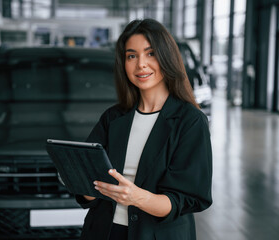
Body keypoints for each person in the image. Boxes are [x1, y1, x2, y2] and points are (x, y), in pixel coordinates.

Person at [75, 18, 212, 240]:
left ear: (166, 57)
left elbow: (188, 198)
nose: (141, 64)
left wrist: (136, 197)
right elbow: (89, 186)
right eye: (131, 56)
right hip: (105, 231)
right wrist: (78, 179)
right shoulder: (113, 117)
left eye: (150, 53)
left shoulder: (190, 121)